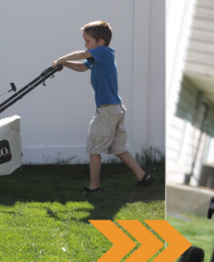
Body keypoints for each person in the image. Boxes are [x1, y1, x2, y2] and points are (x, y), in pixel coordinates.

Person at [53, 20, 154, 193]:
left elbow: (82, 55)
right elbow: (83, 68)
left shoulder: (103, 52)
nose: (85, 45)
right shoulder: (100, 56)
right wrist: (64, 65)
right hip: (114, 109)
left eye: (88, 41)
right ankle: (142, 176)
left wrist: (62, 58)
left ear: (100, 41)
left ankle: (94, 187)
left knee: (94, 148)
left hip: (107, 110)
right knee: (118, 148)